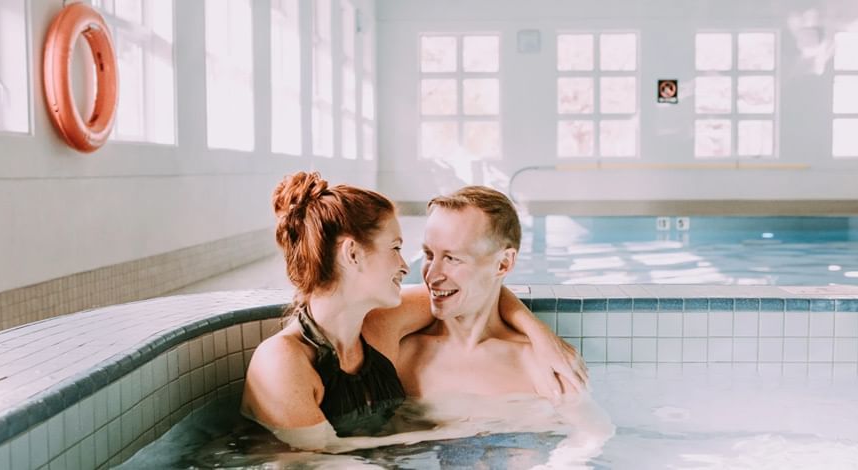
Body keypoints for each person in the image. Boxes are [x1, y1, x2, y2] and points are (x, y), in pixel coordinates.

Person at [240, 172, 584, 453]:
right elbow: (323, 459)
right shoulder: (281, 362)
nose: (409, 267)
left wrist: (542, 336)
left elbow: (479, 291)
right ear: (353, 254)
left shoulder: (379, 328)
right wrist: (450, 433)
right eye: (396, 248)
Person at [394, 186, 614, 465]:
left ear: (503, 264)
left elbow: (593, 433)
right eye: (428, 254)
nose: (432, 275)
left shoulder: (538, 364)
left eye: (452, 258)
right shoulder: (403, 357)